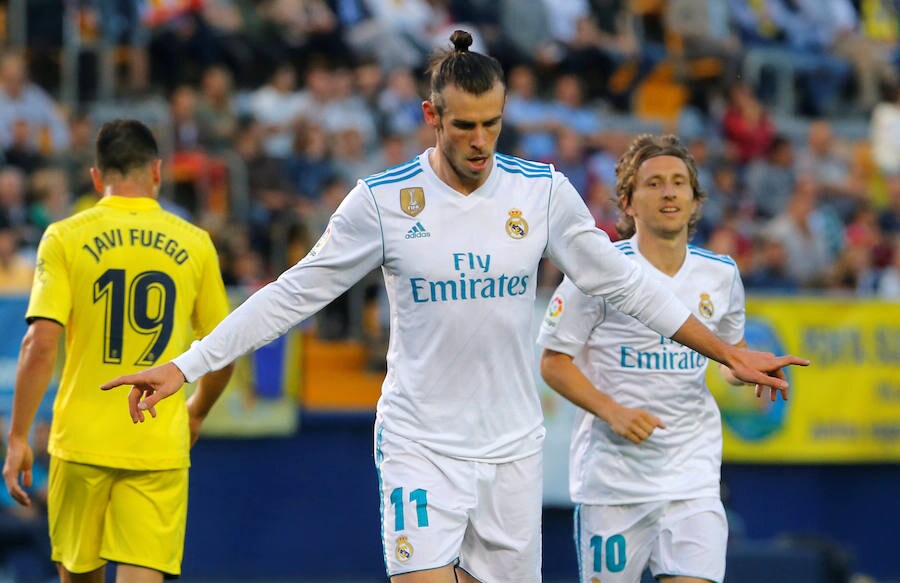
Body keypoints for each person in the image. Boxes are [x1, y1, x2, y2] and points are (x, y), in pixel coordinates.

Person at [100, 33, 806, 583]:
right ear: (430, 115)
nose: (479, 143)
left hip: (512, 448)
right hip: (420, 441)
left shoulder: (542, 192)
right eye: (464, 126)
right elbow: (293, 292)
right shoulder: (383, 203)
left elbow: (626, 283)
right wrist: (185, 365)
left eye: (492, 126)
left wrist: (725, 351)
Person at [2, 119, 234, 583]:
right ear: (157, 172)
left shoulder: (64, 236)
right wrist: (196, 411)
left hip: (81, 440)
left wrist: (19, 437)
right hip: (156, 439)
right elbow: (222, 350)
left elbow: (40, 342)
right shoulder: (195, 243)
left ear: (95, 176)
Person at [537, 134, 768, 583]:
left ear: (695, 199)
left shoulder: (720, 275)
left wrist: (747, 372)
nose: (669, 192)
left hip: (692, 477)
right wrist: (613, 411)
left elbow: (727, 360)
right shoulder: (600, 271)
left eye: (679, 182)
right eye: (655, 183)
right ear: (628, 201)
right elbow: (553, 361)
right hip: (613, 481)